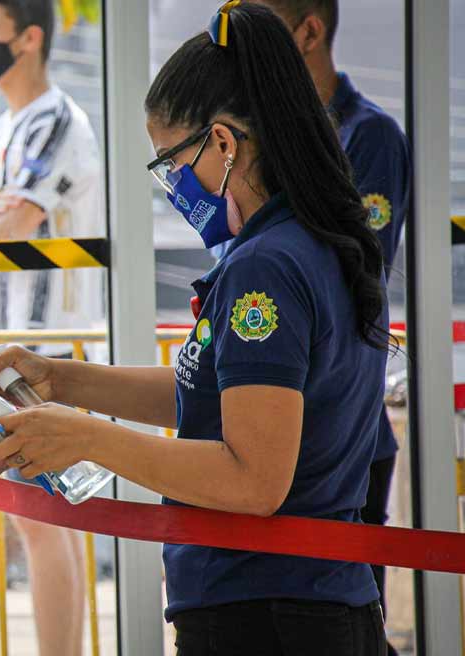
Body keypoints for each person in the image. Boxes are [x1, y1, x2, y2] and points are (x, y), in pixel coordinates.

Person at [0, 4, 390, 654]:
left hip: (266, 610)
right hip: (307, 598)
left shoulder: (266, 269)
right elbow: (229, 397)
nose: (171, 186)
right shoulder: (312, 241)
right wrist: (64, 381)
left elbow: (252, 476)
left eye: (170, 162)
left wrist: (87, 438)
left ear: (223, 143)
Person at [241, 4, 410, 645]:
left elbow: (349, 271)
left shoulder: (367, 136)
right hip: (269, 413)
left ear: (310, 31)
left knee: (338, 621)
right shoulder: (250, 136)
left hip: (340, 428)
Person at [0, 1, 103, 653]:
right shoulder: (10, 127)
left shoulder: (54, 122)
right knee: (47, 523)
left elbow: (4, 227)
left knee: (45, 523)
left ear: (30, 38)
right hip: (15, 357)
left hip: (46, 359)